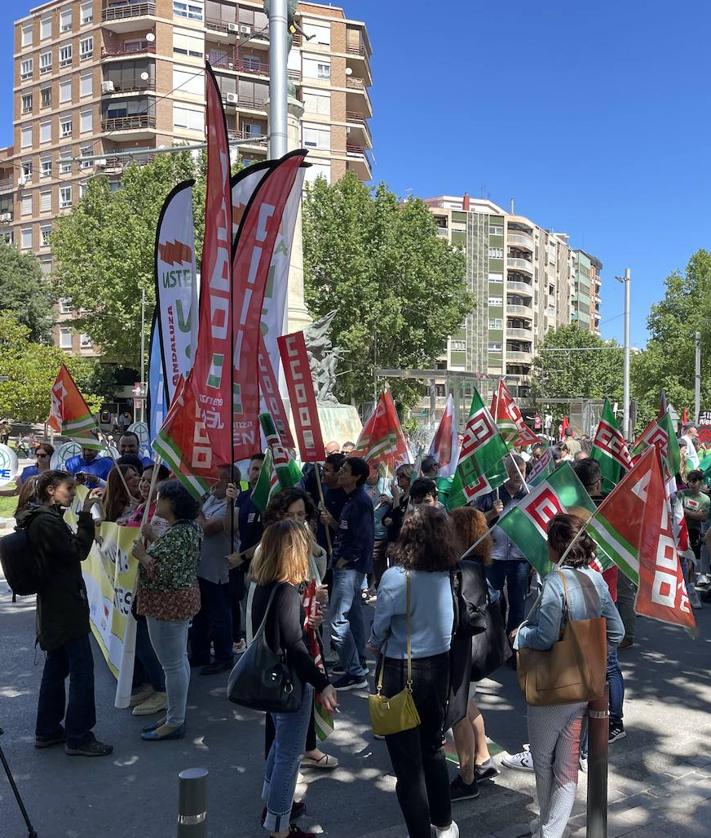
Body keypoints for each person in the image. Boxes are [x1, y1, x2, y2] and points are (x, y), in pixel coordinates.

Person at [512, 513, 624, 838]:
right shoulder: (596, 580)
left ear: (556, 545)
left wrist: (520, 635)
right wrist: (591, 652)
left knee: (544, 761)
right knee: (566, 764)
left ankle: (549, 829)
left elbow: (544, 637)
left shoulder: (553, 583)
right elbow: (615, 632)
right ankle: (550, 828)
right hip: (585, 684)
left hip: (552, 688)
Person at [369, 505, 459, 838]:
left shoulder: (396, 576)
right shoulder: (446, 573)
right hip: (439, 667)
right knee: (433, 748)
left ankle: (421, 832)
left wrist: (374, 641)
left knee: (407, 766)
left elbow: (379, 626)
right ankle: (445, 823)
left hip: (401, 670)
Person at [250, 519, 338, 838]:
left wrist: (304, 621)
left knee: (281, 746)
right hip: (289, 682)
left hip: (272, 680)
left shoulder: (265, 585)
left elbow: (287, 634)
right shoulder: (286, 591)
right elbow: (296, 646)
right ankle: (279, 826)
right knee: (290, 754)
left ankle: (273, 802)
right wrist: (322, 682)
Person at [18, 470, 113, 756]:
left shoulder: (43, 517)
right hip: (64, 605)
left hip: (57, 603)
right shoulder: (46, 522)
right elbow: (78, 551)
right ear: (50, 490)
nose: (72, 493)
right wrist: (85, 515)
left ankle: (47, 730)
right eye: (68, 488)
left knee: (57, 667)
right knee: (82, 670)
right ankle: (79, 736)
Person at [262, 488, 337, 770]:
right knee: (281, 707)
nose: (297, 521)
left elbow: (312, 582)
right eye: (290, 515)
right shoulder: (273, 549)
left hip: (305, 632)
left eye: (302, 515)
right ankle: (280, 778)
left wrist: (316, 604)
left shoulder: (307, 543)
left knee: (304, 695)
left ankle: (306, 748)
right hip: (284, 645)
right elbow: (280, 607)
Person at [132, 480, 202, 741]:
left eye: (160, 498)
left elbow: (165, 573)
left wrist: (144, 556)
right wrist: (155, 539)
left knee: (172, 666)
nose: (156, 502)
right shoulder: (187, 529)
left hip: (166, 606)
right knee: (178, 662)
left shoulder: (180, 532)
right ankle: (175, 713)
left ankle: (175, 721)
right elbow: (176, 557)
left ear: (172, 503)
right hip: (178, 604)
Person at [447, 506, 498, 802]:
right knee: (468, 703)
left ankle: (467, 779)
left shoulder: (463, 569)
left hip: (464, 649)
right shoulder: (474, 564)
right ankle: (483, 758)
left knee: (458, 711)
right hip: (476, 649)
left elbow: (460, 615)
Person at [124, 463, 170, 717]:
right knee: (139, 636)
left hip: (152, 584)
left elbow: (167, 550)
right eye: (142, 479)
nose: (143, 484)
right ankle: (151, 684)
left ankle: (163, 689)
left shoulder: (161, 515)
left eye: (149, 481)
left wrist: (150, 538)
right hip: (135, 581)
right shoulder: (141, 508)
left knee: (148, 639)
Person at [328, 457, 374, 690]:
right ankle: (360, 663)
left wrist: (346, 559)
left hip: (349, 569)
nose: (339, 473)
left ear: (356, 476)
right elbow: (348, 531)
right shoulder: (351, 500)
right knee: (354, 616)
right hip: (344, 566)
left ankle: (354, 672)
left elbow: (364, 537)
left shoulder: (361, 502)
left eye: (344, 470)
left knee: (337, 621)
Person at [190, 465, 240, 675]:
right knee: (200, 614)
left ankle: (223, 656)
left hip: (219, 570)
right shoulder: (212, 499)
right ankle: (200, 653)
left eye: (217, 479)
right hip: (202, 567)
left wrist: (198, 513)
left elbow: (207, 528)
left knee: (220, 615)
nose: (213, 482)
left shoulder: (232, 507)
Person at [476, 454, 530, 634]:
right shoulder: (491, 493)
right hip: (494, 556)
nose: (517, 475)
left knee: (518, 604)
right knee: (493, 601)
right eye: (513, 471)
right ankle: (496, 643)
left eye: (521, 471)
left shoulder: (531, 494)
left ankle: (513, 645)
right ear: (505, 473)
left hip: (520, 558)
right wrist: (492, 513)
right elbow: (475, 522)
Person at [226, 453, 266, 650]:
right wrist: (229, 503)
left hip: (261, 568)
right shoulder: (242, 496)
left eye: (261, 469)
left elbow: (267, 539)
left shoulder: (269, 499)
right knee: (247, 616)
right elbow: (230, 528)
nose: (257, 473)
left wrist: (241, 557)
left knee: (260, 618)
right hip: (243, 567)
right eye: (254, 469)